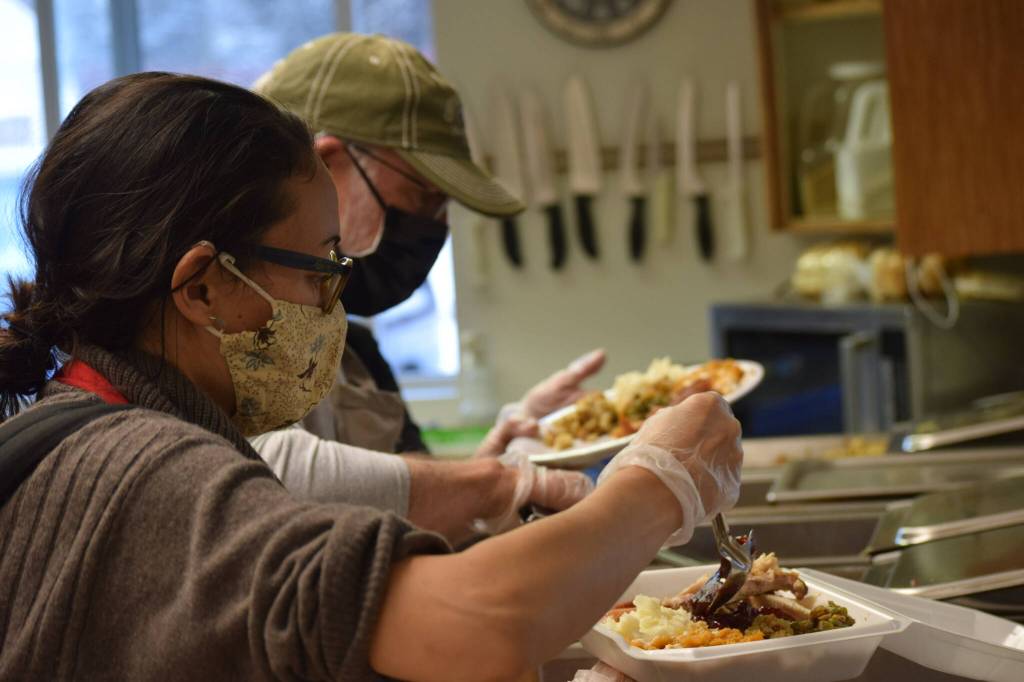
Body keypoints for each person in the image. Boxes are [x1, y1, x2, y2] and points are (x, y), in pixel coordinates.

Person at [0, 72, 743, 681]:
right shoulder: (147, 472)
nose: (333, 301)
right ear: (201, 288)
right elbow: (478, 624)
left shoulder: (99, 435)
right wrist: (659, 480)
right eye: (320, 268)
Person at [246, 32, 605, 535]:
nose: (436, 224)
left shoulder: (357, 354)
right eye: (423, 196)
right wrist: (495, 483)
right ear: (326, 166)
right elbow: (259, 471)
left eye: (444, 208)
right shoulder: (219, 320)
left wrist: (503, 452)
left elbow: (403, 532)